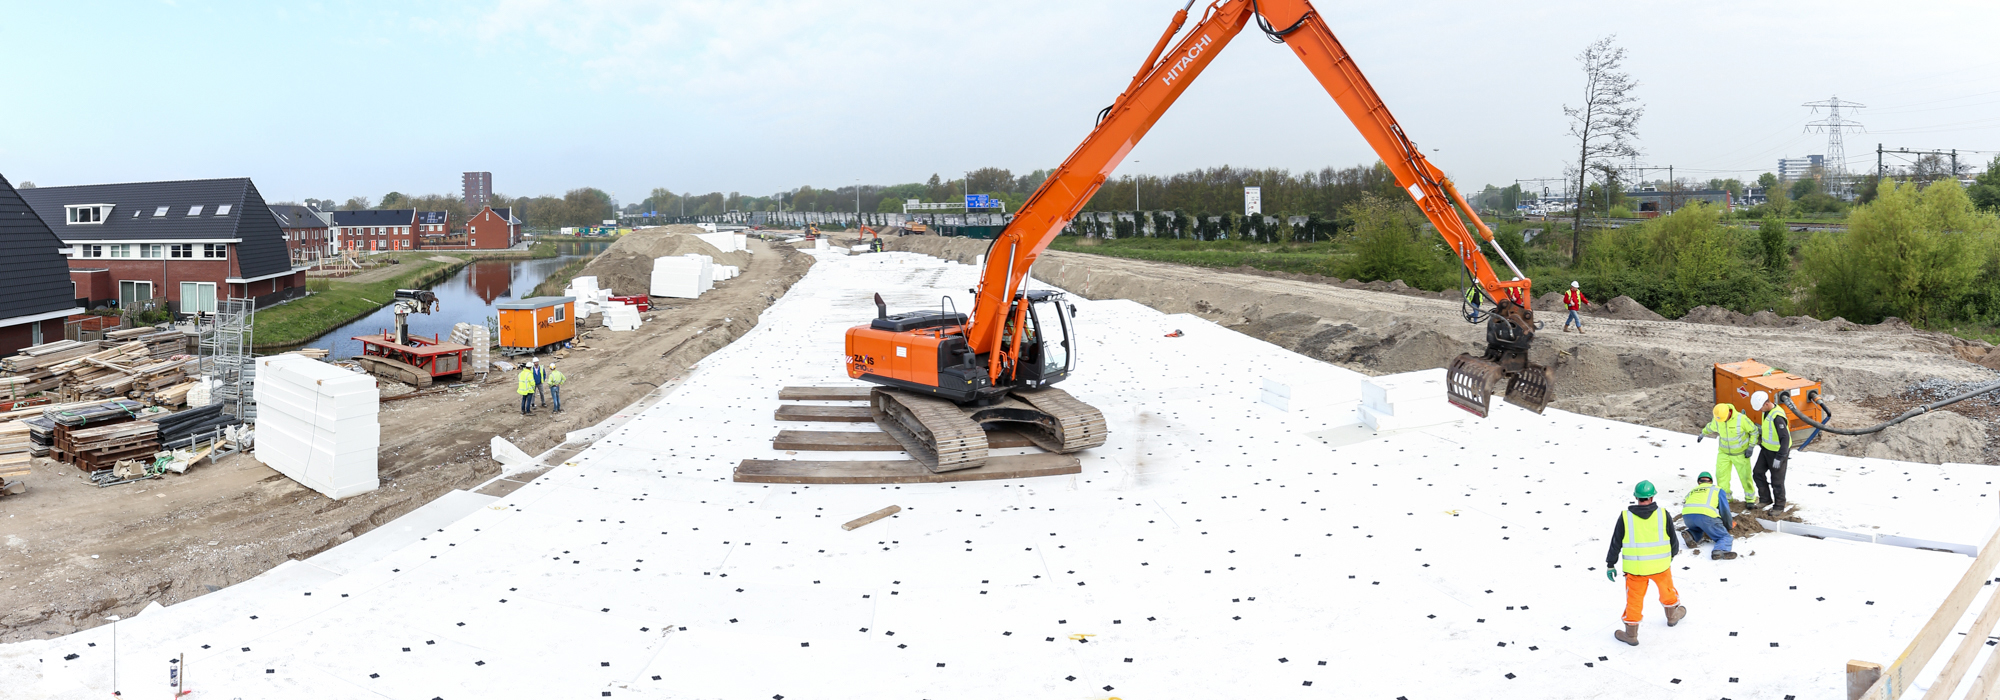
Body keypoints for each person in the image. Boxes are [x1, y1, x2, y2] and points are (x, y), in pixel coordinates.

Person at [1606, 480, 1685, 646]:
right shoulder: (1663, 514)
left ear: (1636, 497)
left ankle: (1631, 635)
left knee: (1634, 601)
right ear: (1653, 496)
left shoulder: (1626, 517)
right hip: (1661, 567)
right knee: (1667, 591)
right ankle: (1672, 616)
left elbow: (1616, 542)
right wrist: (1670, 557)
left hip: (1635, 570)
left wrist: (1610, 564)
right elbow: (1673, 541)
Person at [1699, 403, 1758, 507]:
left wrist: (1751, 447)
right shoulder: (1718, 419)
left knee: (1745, 477)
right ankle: (1726, 498)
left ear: (1729, 413)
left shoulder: (1741, 419)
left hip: (1740, 454)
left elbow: (1754, 431)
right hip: (1724, 453)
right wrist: (1703, 433)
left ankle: (1750, 499)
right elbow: (1711, 426)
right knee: (1721, 476)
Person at [1750, 391, 1792, 511]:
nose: (1759, 410)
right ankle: (1765, 499)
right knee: (1758, 473)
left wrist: (1780, 457)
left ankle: (1779, 506)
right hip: (1766, 449)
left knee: (1777, 481)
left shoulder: (1777, 417)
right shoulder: (1767, 412)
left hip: (1778, 453)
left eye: (1760, 408)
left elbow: (1785, 438)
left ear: (1767, 403)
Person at [1679, 472, 1736, 560]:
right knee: (1724, 536)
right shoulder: (1716, 489)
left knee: (1699, 529)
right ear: (1711, 482)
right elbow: (1724, 510)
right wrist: (1728, 525)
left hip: (1687, 516)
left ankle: (1691, 534)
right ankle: (1720, 550)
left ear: (1699, 482)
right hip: (1705, 516)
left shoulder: (1692, 491)